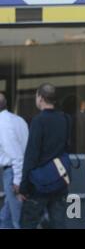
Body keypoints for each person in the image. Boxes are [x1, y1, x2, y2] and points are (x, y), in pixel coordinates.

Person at [19, 83, 71, 229]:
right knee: (58, 223)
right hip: (59, 179)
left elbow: (31, 155)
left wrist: (24, 187)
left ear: (40, 98)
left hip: (39, 183)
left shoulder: (38, 120)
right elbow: (66, 148)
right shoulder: (66, 119)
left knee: (28, 223)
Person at [0, 93, 29, 228]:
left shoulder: (2, 123)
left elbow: (16, 155)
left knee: (18, 221)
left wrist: (17, 181)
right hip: (19, 172)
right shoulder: (18, 120)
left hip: (13, 174)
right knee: (5, 218)